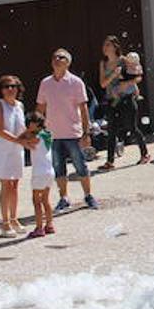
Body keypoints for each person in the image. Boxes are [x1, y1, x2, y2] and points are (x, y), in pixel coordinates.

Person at [36, 49, 96, 212]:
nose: (57, 59)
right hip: (52, 134)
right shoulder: (45, 83)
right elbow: (40, 108)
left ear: (68, 62)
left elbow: (83, 109)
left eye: (61, 57)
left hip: (73, 133)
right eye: (54, 57)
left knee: (80, 166)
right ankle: (64, 197)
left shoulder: (76, 82)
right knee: (58, 168)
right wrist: (36, 131)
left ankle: (88, 195)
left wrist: (86, 132)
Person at [0, 75, 30, 236]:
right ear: (1, 90)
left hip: (16, 149)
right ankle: (5, 222)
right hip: (0, 149)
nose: (10, 89)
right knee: (6, 184)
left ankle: (14, 218)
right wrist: (19, 140)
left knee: (15, 184)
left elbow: (21, 127)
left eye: (13, 86)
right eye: (6, 86)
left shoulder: (19, 105)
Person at [97, 37, 149, 171]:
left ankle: (145, 154)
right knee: (111, 130)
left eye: (108, 45)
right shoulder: (103, 63)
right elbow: (103, 84)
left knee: (131, 126)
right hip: (112, 100)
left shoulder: (124, 60)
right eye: (104, 45)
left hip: (126, 98)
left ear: (115, 46)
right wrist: (113, 75)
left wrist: (126, 83)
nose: (105, 47)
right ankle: (110, 161)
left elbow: (138, 76)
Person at [23, 113, 55, 238]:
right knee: (46, 200)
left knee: (36, 201)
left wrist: (24, 134)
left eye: (30, 122)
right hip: (49, 171)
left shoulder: (36, 137)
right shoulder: (47, 134)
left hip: (39, 172)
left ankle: (39, 227)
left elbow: (24, 140)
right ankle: (49, 224)